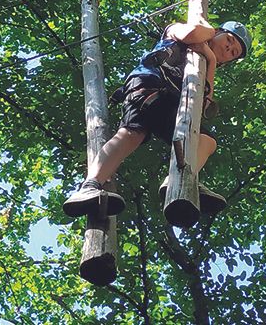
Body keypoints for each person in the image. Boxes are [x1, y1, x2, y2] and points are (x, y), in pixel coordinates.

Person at [63, 20, 252, 218]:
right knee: (132, 133)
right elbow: (191, 34)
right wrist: (208, 30)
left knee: (206, 140)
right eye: (229, 40)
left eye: (234, 53)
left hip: (174, 105)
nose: (229, 47)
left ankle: (180, 177)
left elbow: (203, 106)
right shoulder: (174, 31)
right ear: (218, 32)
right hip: (149, 85)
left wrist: (211, 60)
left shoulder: (205, 63)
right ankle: (90, 185)